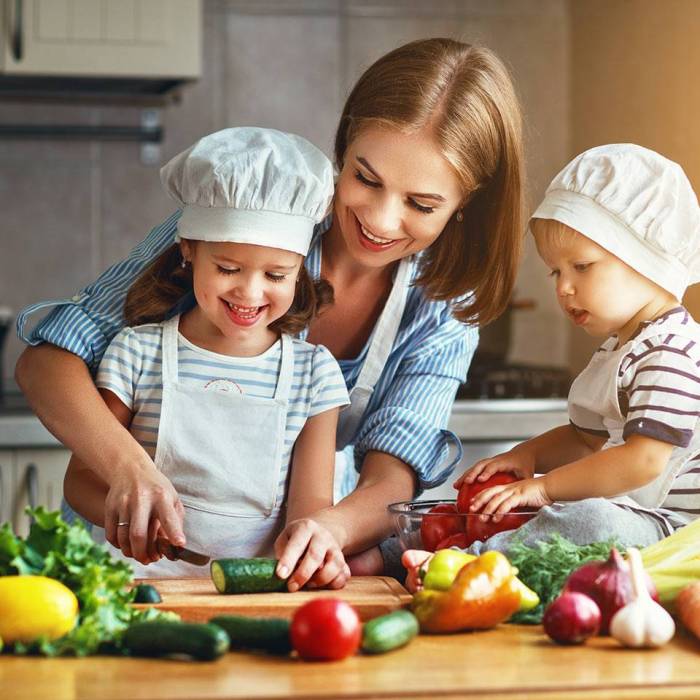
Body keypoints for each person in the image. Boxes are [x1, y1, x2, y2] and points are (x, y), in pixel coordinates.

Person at [15, 38, 525, 586]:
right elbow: (47, 362)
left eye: (421, 205)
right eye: (365, 178)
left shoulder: (443, 307)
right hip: (116, 559)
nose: (379, 218)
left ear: (465, 203)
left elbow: (389, 481)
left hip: (259, 574)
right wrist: (130, 471)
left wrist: (325, 532)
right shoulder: (247, 216)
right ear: (344, 143)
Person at [63, 127, 351, 582]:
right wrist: (130, 520)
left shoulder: (314, 375)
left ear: (300, 270)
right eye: (228, 268)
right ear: (188, 251)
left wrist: (313, 548)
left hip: (252, 593)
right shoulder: (137, 353)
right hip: (139, 586)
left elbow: (311, 509)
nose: (250, 292)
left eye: (277, 274)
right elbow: (81, 481)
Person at [448, 144, 700, 558]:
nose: (563, 288)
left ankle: (473, 561)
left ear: (647, 260)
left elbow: (644, 462)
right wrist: (526, 455)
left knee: (591, 521)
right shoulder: (621, 349)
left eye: (582, 266)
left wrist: (545, 487)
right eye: (555, 271)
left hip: (676, 532)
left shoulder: (671, 352)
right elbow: (586, 442)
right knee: (567, 514)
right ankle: (417, 550)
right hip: (638, 516)